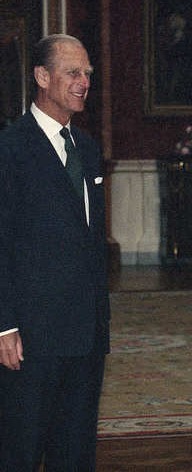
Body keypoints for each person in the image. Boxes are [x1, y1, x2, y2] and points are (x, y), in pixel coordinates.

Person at [0, 34, 109, 471]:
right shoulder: (10, 149)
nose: (83, 82)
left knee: (76, 453)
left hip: (85, 333)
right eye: (72, 73)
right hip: (30, 334)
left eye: (87, 74)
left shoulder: (86, 147)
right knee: (21, 451)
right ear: (42, 77)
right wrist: (4, 324)